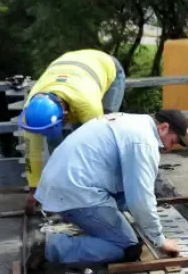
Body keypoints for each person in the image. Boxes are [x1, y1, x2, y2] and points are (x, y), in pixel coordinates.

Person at [24, 109, 188, 271]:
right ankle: (49, 246)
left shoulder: (132, 122)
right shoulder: (144, 141)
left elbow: (128, 188)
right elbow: (140, 198)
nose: (170, 148)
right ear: (164, 128)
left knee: (127, 199)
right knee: (127, 246)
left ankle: (98, 225)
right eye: (173, 141)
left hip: (61, 182)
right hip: (76, 191)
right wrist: (159, 240)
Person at [17, 49, 127, 215]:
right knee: (56, 144)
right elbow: (31, 154)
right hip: (69, 68)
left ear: (65, 114)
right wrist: (34, 190)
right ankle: (66, 188)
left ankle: (109, 193)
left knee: (94, 131)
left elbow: (99, 148)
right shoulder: (31, 113)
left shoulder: (88, 105)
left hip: (106, 67)